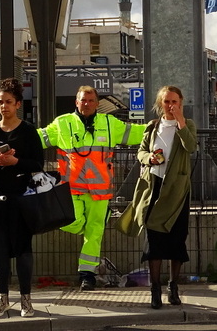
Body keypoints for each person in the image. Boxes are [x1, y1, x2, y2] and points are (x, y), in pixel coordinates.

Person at [39, 85, 147, 290]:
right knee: (69, 221)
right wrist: (11, 134)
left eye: (90, 100)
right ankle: (89, 260)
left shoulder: (109, 124)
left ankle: (87, 274)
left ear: (97, 104)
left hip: (100, 192)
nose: (86, 104)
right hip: (71, 189)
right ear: (76, 102)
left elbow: (136, 132)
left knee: (95, 234)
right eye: (82, 100)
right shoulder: (63, 124)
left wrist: (160, 126)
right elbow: (38, 138)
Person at [117, 86, 197, 309]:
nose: (171, 106)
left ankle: (173, 286)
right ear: (160, 104)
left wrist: (180, 122)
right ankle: (155, 290)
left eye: (174, 101)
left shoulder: (187, 124)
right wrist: (148, 158)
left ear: (181, 102)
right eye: (166, 102)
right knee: (154, 240)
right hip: (154, 185)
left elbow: (191, 147)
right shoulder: (153, 127)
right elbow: (140, 152)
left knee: (176, 238)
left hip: (177, 190)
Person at [0, 78, 44, 318]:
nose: (4, 106)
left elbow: (38, 164)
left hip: (21, 198)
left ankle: (26, 299)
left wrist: (16, 162)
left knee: (24, 250)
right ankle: (2, 297)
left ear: (17, 104)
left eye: (8, 102)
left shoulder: (28, 131)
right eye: (0, 102)